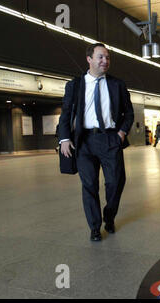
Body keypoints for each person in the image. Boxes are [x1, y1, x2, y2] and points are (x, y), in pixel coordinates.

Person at [59, 43, 134, 242]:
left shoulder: (117, 84)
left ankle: (109, 216)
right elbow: (66, 113)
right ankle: (94, 226)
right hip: (84, 141)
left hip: (110, 138)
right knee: (89, 185)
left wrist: (121, 133)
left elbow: (129, 112)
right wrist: (64, 138)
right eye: (100, 57)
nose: (105, 61)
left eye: (108, 57)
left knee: (116, 182)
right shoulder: (75, 85)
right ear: (89, 59)